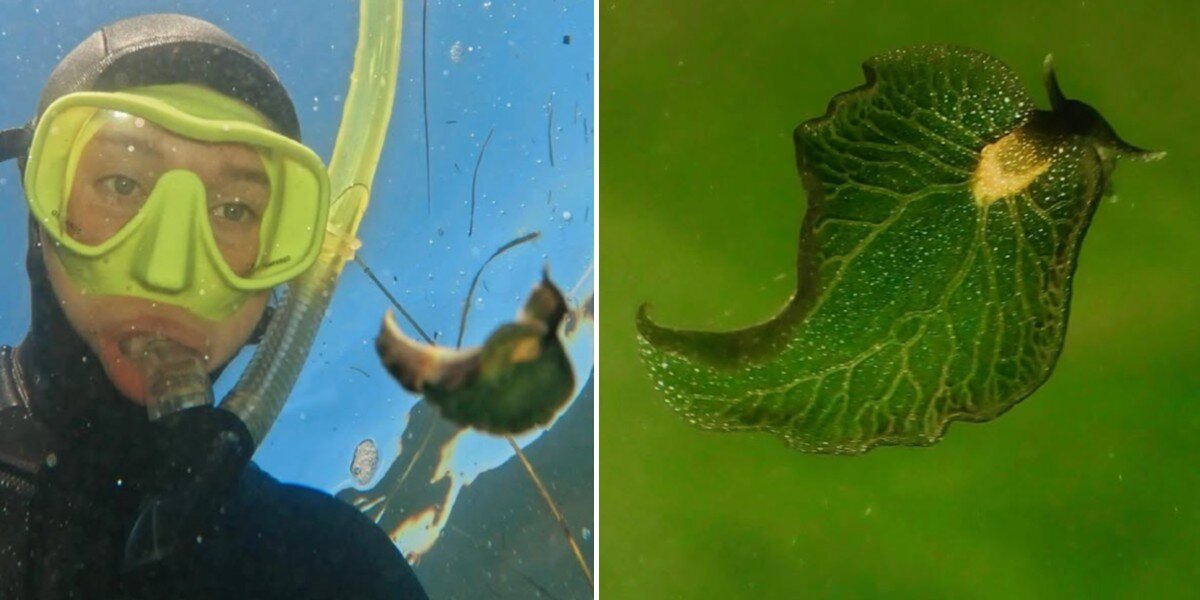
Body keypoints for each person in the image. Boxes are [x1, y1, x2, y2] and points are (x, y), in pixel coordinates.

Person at [0, 14, 428, 599]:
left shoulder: (333, 568)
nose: (168, 272)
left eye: (233, 211)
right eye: (122, 183)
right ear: (42, 209)